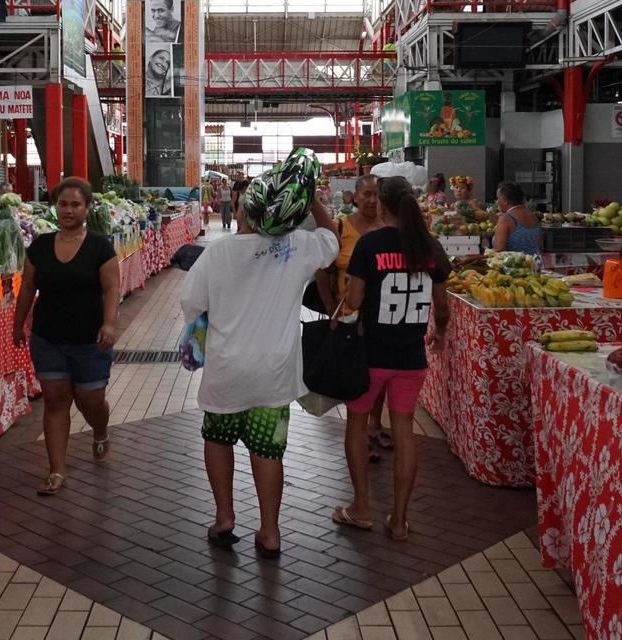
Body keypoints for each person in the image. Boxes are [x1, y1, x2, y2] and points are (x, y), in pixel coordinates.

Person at [179, 183, 339, 558]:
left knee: (218, 440)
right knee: (268, 451)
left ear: (239, 212)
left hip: (226, 371)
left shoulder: (217, 254)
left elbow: (190, 303)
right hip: (275, 373)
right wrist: (311, 197)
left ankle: (224, 518)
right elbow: (331, 239)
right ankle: (270, 532)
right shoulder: (297, 246)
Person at [331, 177, 450, 542]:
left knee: (355, 426)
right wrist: (439, 333)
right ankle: (399, 520)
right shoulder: (429, 247)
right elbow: (442, 307)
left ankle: (361, 509)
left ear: (381, 205)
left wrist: (345, 306)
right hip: (411, 358)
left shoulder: (370, 245)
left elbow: (353, 301)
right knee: (405, 434)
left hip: (370, 354)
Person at [12, 178, 121, 496]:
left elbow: (111, 288)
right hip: (48, 337)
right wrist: (18, 325)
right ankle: (57, 470)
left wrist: (109, 323)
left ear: (87, 208)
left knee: (91, 401)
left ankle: (100, 430)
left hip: (90, 340)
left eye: (75, 204)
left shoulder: (100, 246)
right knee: (56, 401)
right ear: (55, 206)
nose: (68, 210)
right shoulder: (40, 246)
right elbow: (28, 288)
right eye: (63, 204)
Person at [311, 175, 390, 459]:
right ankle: (359, 433)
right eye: (367, 194)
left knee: (377, 375)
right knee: (354, 374)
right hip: (347, 316)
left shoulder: (390, 230)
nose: (372, 200)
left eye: (377, 195)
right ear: (355, 197)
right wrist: (331, 307)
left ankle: (374, 424)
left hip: (382, 319)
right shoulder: (341, 227)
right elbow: (323, 271)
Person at [492, 181, 541, 255]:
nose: (497, 202)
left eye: (498, 198)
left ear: (505, 201)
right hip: (534, 264)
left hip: (515, 265)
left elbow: (499, 251)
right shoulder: (533, 216)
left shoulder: (505, 219)